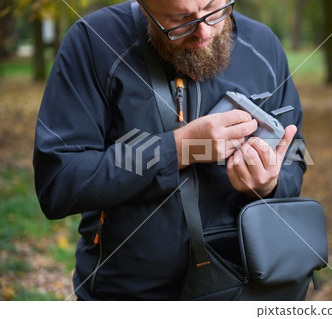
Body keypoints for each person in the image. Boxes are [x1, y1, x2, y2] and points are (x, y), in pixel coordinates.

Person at [33, 0, 306, 300]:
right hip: (127, 293)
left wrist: (270, 184)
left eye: (215, 9)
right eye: (179, 19)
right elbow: (60, 183)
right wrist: (178, 149)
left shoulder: (264, 45)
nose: (203, 31)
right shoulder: (93, 42)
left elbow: (295, 155)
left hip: (243, 287)